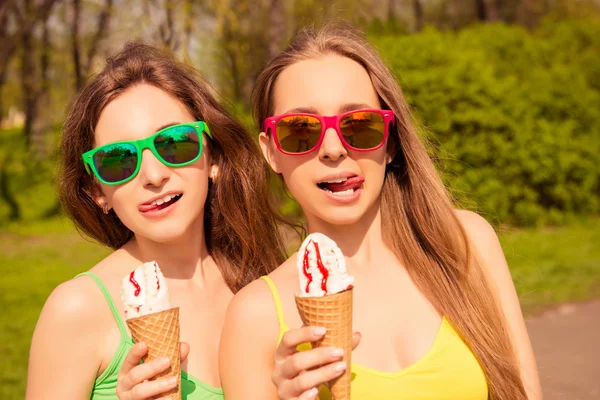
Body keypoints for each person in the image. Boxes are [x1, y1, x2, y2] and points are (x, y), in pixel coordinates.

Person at [219, 23, 542, 399]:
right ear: (271, 151)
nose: (334, 149)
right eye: (301, 130)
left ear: (390, 142)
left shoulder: (468, 242)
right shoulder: (254, 317)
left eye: (359, 125)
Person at [26, 42, 287, 400]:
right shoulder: (76, 309)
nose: (153, 174)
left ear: (214, 156)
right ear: (96, 189)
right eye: (117, 160)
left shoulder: (263, 282)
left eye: (174, 144)